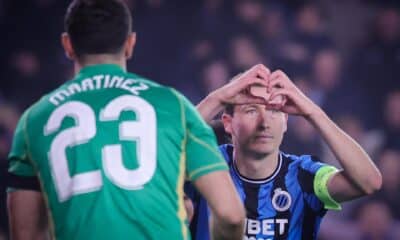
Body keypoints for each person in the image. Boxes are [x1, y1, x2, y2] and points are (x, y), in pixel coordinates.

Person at [6, 1, 246, 240]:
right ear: (130, 44)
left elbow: (25, 234)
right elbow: (231, 215)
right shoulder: (173, 106)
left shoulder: (33, 121)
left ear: (68, 45)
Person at [187, 64, 382, 240]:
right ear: (228, 123)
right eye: (251, 110)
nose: (264, 123)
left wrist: (312, 112)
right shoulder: (207, 165)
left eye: (274, 110)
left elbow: (369, 182)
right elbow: (163, 151)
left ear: (285, 122)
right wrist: (218, 98)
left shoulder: (303, 176)